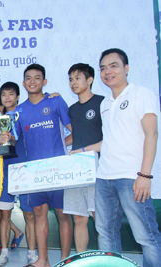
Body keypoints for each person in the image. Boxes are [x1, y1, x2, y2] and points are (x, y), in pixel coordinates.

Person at [1, 64, 73, 267]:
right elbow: (14, 141)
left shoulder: (56, 101)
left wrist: (62, 149)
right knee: (40, 214)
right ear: (24, 83)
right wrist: (5, 138)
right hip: (34, 173)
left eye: (37, 77)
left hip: (59, 170)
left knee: (63, 215)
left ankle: (65, 261)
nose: (32, 81)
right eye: (29, 78)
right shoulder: (20, 110)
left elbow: (72, 131)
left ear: (44, 81)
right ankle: (43, 261)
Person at [94, 48, 161, 267]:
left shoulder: (141, 93)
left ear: (126, 68)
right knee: (106, 235)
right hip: (104, 179)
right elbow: (111, 140)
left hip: (132, 178)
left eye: (113, 66)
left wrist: (145, 175)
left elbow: (152, 134)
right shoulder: (105, 104)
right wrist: (81, 150)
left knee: (146, 236)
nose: (108, 72)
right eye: (103, 68)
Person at [64, 63, 103, 253]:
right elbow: (75, 135)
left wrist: (84, 150)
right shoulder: (72, 109)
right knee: (79, 218)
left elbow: (110, 140)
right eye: (70, 79)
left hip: (99, 169)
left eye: (77, 78)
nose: (73, 83)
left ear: (90, 80)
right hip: (76, 170)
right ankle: (81, 259)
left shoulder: (103, 103)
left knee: (101, 219)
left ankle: (107, 260)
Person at [0, 82, 26, 266]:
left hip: (23, 169)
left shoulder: (25, 114)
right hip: (5, 170)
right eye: (4, 95)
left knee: (30, 214)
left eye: (11, 94)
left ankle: (32, 252)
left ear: (18, 96)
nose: (7, 98)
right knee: (4, 214)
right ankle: (4, 252)